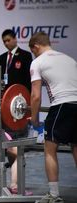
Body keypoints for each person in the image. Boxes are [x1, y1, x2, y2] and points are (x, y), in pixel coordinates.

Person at [29, 31, 77, 203]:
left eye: (33, 51)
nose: (33, 54)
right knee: (76, 147)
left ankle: (54, 195)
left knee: (50, 150)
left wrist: (34, 119)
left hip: (61, 106)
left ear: (36, 46)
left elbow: (35, 96)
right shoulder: (69, 59)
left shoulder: (38, 62)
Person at [0, 29, 32, 93]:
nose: (6, 43)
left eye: (8, 40)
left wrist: (27, 94)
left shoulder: (25, 55)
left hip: (19, 93)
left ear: (15, 39)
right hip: (4, 93)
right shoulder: (1, 58)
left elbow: (28, 79)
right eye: (4, 41)